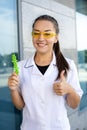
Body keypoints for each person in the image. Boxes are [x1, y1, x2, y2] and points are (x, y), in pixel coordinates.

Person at [8, 14, 83, 130]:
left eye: (47, 33)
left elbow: (74, 105)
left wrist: (69, 89)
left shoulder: (68, 65)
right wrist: (13, 90)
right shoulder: (20, 67)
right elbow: (20, 105)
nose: (41, 38)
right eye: (36, 33)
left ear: (56, 38)